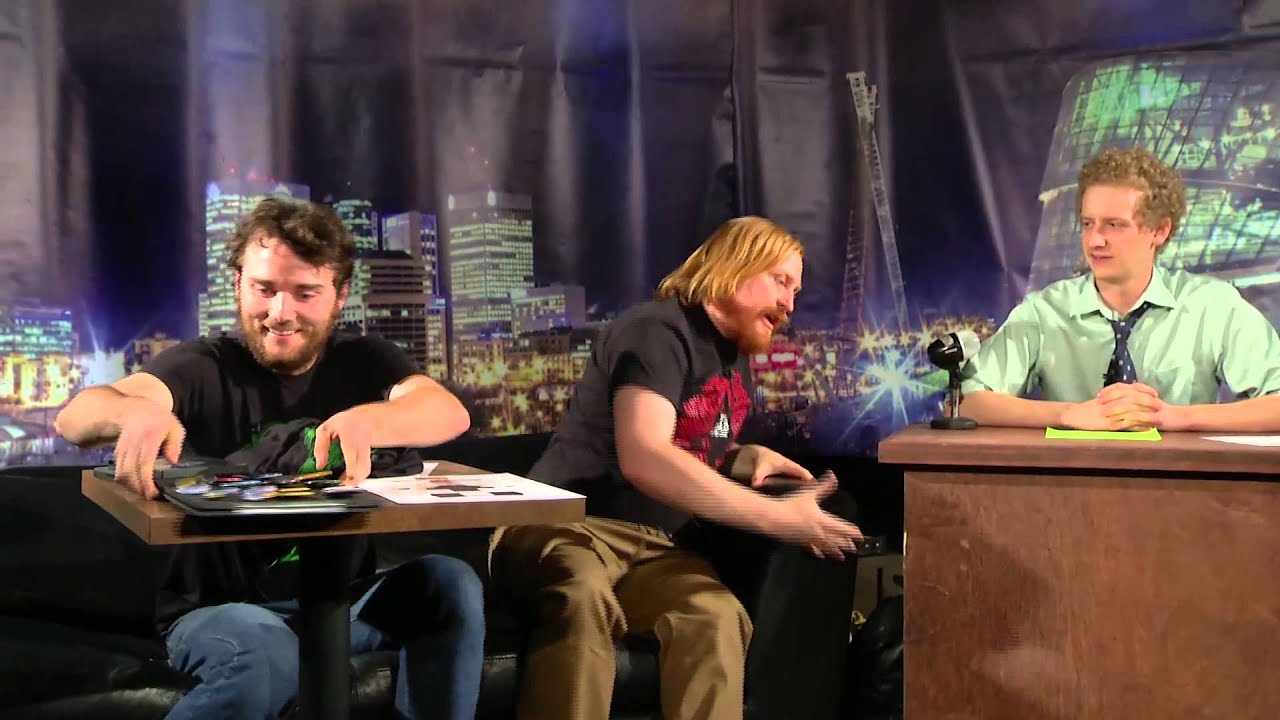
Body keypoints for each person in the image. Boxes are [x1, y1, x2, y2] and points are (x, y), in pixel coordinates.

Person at [54, 197, 484, 720]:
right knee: (267, 653)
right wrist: (133, 413)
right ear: (238, 285)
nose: (281, 313)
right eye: (264, 289)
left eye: (305, 293)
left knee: (447, 583)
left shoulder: (364, 359)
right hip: (219, 612)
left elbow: (447, 413)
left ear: (339, 296)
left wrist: (369, 422)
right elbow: (75, 418)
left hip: (339, 603)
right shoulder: (205, 365)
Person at [489, 216, 864, 720]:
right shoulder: (658, 331)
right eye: (781, 281)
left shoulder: (735, 359)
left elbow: (686, 439)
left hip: (653, 545)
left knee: (714, 616)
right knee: (581, 593)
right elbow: (645, 455)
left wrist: (739, 456)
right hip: (565, 523)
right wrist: (777, 518)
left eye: (795, 291)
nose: (789, 304)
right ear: (734, 266)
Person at [959, 146, 1280, 432]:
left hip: (1182, 478)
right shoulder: (1045, 311)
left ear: (1159, 230)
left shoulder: (1211, 305)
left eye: (1114, 225)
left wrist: (1175, 417)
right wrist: (1069, 414)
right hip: (1071, 478)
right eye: (1088, 224)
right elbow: (969, 402)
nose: (1095, 241)